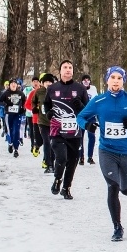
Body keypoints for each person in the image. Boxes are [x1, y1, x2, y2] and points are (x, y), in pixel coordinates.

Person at [78, 66, 127, 241]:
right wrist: (88, 126)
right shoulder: (98, 101)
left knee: (125, 190)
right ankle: (117, 227)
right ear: (107, 80)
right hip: (107, 151)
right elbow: (80, 117)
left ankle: (124, 188)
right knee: (112, 187)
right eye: (112, 77)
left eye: (119, 78)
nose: (115, 81)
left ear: (123, 81)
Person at [44, 60, 89, 199]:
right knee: (61, 157)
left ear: (73, 71)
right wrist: (48, 113)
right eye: (65, 67)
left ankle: (66, 188)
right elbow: (46, 105)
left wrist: (80, 105)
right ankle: (58, 179)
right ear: (60, 70)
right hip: (57, 129)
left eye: (70, 67)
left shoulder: (80, 88)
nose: (68, 70)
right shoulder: (52, 88)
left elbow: (87, 109)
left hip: (74, 131)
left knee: (73, 160)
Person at [0, 78, 27, 157]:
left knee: (16, 131)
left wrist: (23, 109)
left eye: (15, 84)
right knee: (10, 131)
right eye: (12, 84)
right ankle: (10, 143)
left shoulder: (20, 93)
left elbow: (25, 102)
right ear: (9, 85)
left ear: (17, 85)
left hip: (18, 114)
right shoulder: (6, 93)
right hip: (9, 115)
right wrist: (6, 104)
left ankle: (16, 149)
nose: (13, 85)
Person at [33, 73, 56, 173]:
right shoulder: (39, 92)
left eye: (50, 82)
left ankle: (53, 162)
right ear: (42, 83)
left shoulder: (56, 91)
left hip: (54, 122)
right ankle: (48, 164)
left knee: (54, 143)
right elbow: (33, 102)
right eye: (46, 82)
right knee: (46, 142)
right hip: (42, 121)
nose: (48, 84)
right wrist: (35, 108)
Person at [79, 74, 98, 165]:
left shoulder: (93, 89)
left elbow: (96, 101)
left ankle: (90, 157)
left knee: (92, 136)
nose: (86, 81)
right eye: (84, 80)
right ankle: (81, 156)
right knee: (80, 137)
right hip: (82, 116)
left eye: (88, 79)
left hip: (92, 116)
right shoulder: (79, 89)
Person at [24, 76, 42, 156]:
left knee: (41, 132)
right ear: (32, 83)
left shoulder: (44, 91)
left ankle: (38, 144)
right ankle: (33, 145)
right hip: (30, 114)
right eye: (34, 81)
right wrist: (33, 108)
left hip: (41, 116)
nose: (35, 83)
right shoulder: (28, 90)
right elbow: (25, 102)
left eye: (37, 81)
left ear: (39, 83)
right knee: (32, 130)